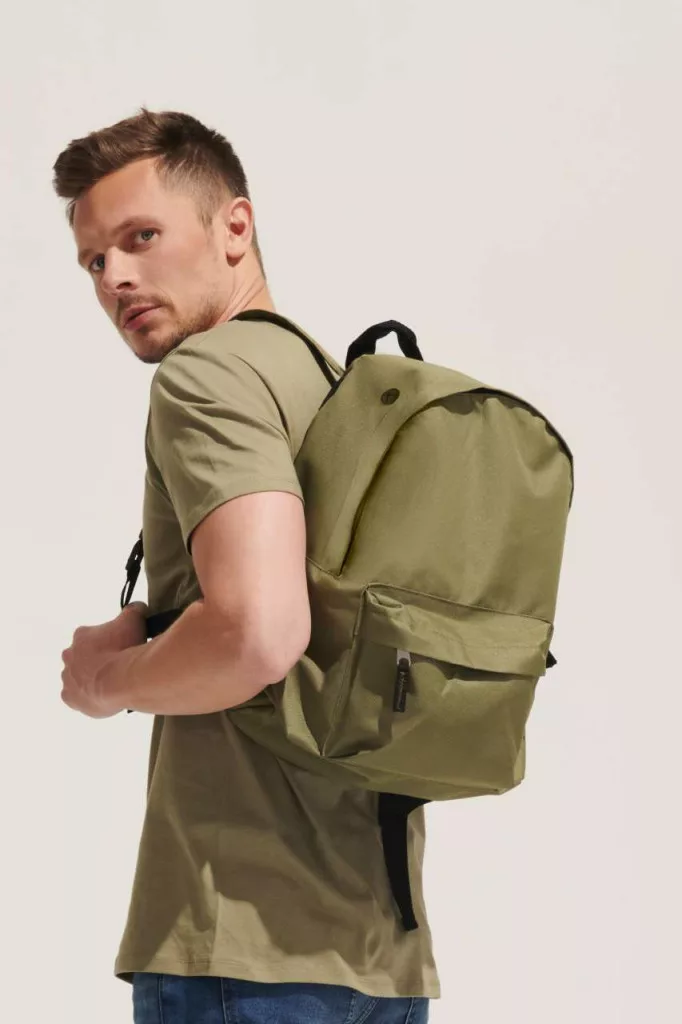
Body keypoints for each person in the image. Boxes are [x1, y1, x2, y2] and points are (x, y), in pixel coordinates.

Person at [53, 107, 436, 1024]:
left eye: (141, 237)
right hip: (380, 951)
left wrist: (109, 682)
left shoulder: (208, 375)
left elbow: (261, 634)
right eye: (94, 261)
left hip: (245, 945)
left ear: (235, 226)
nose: (116, 277)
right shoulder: (328, 384)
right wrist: (161, 628)